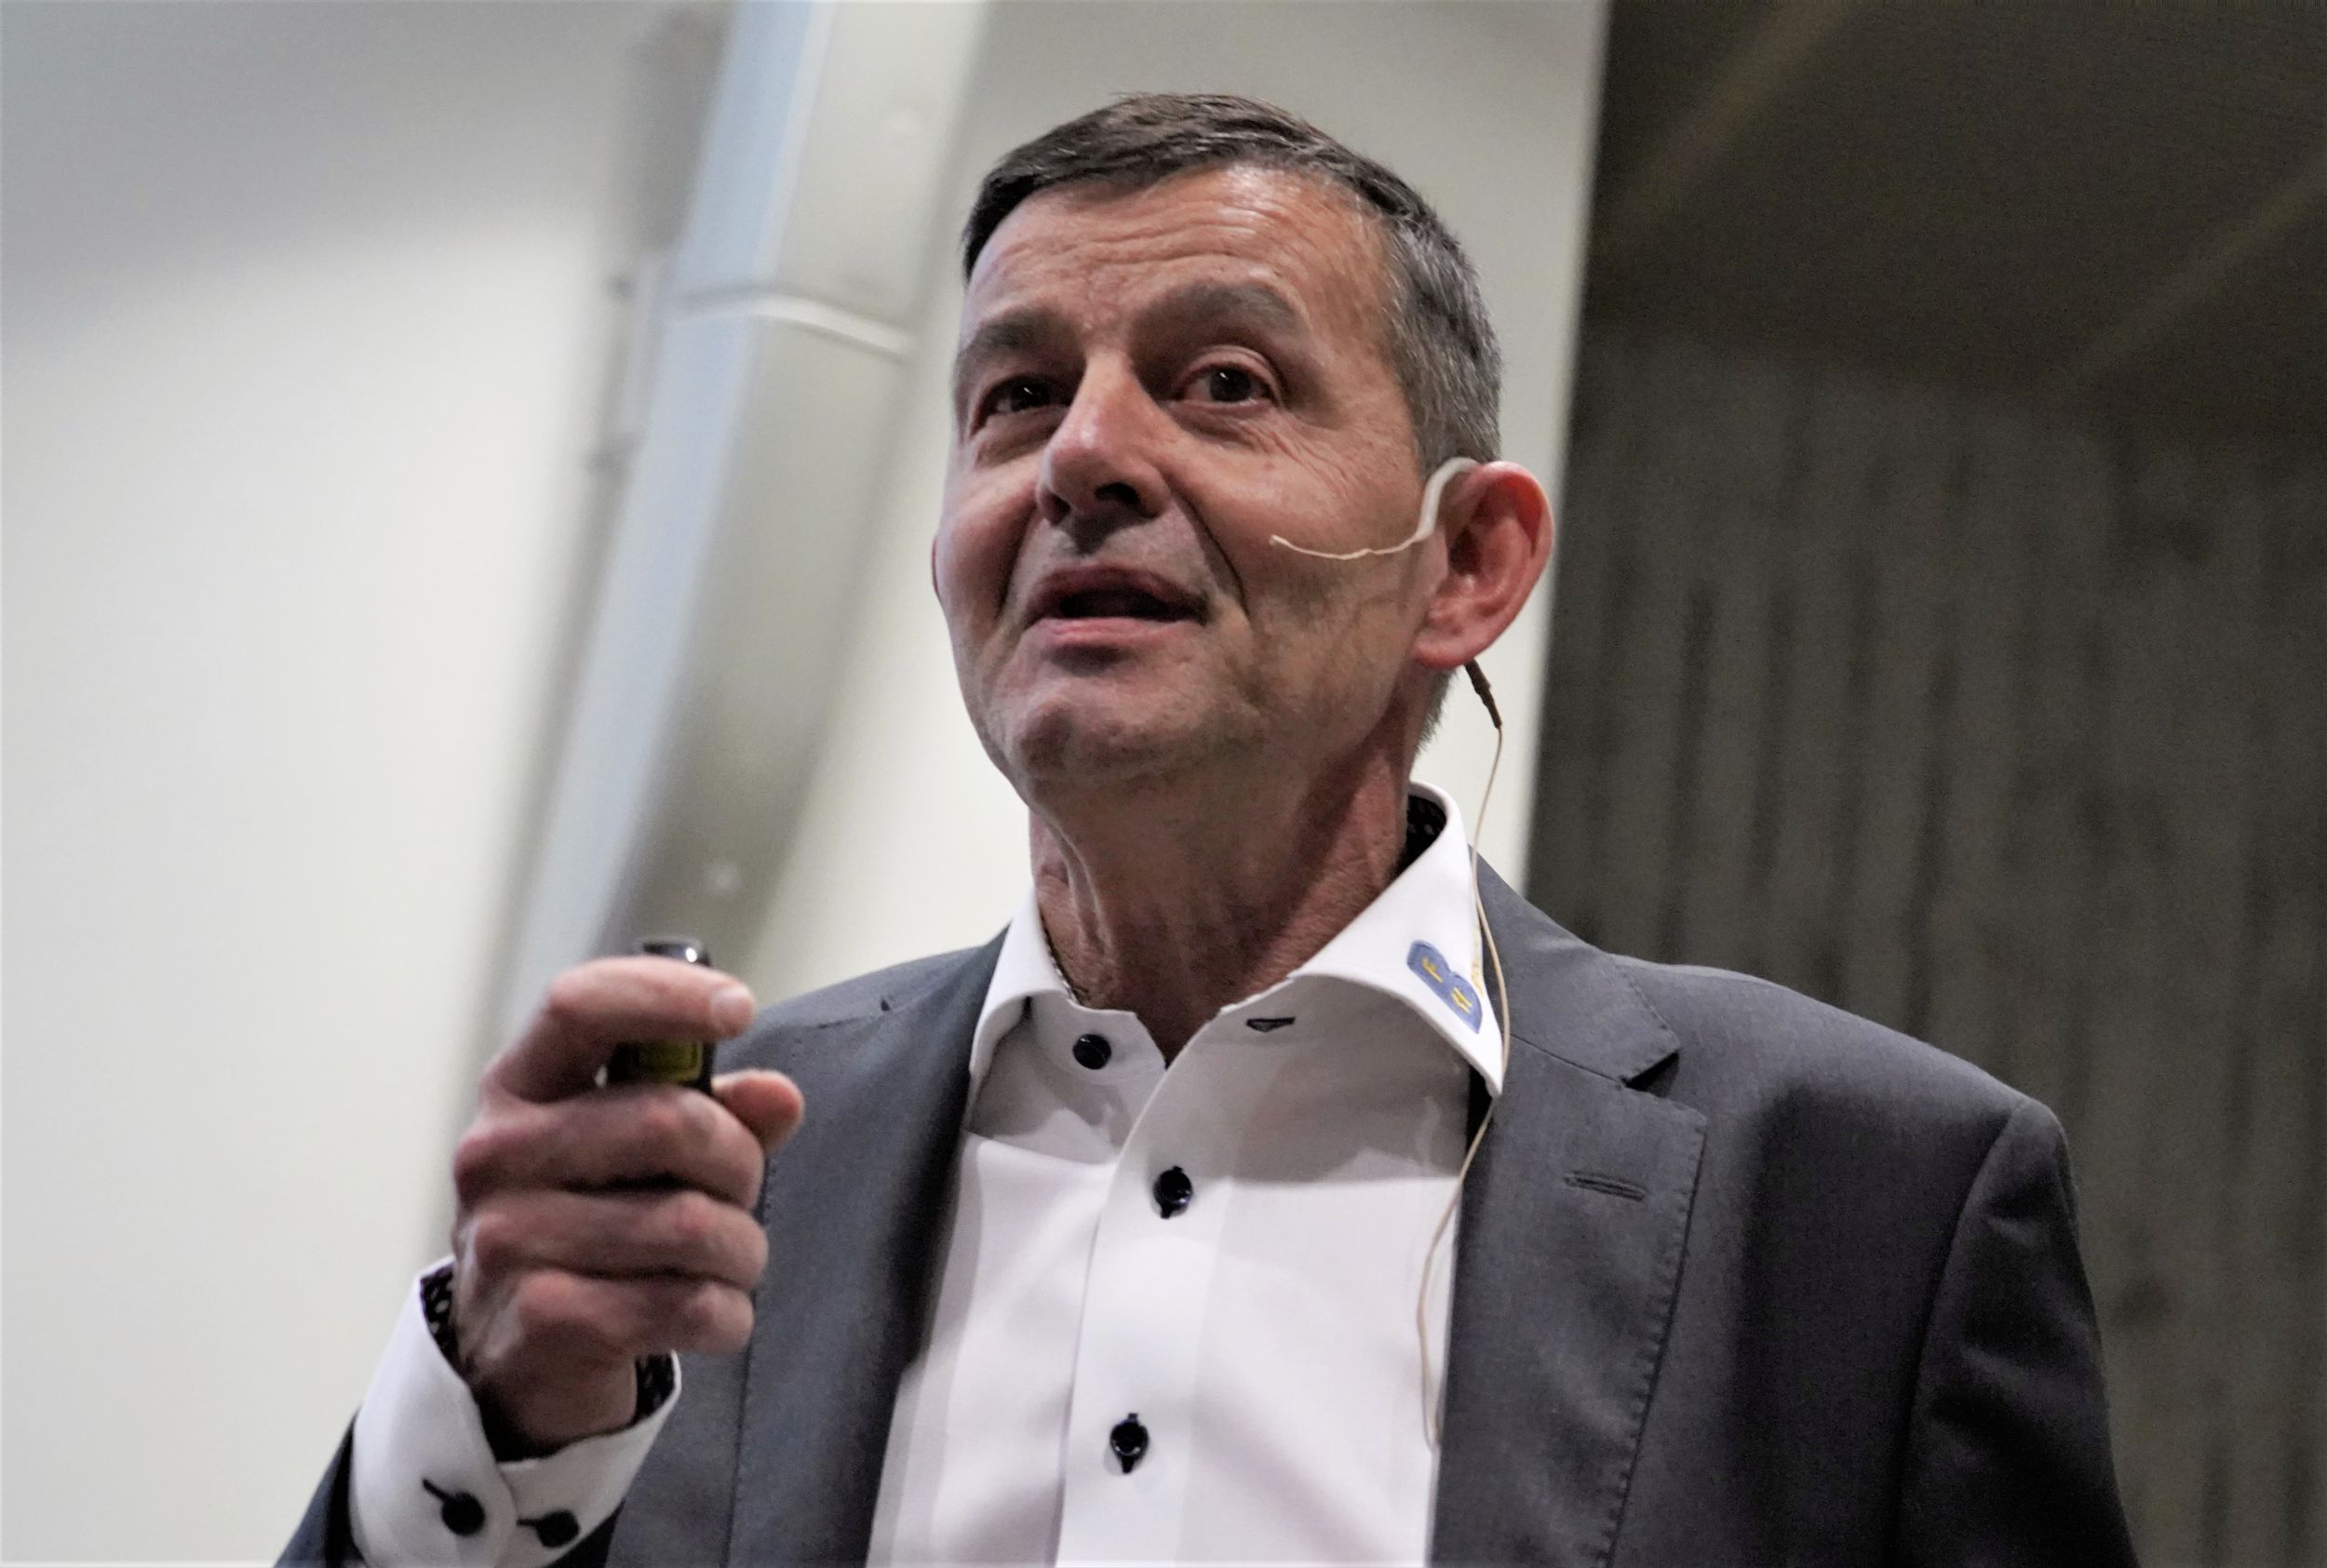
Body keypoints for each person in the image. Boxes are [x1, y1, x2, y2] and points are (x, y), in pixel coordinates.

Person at [283, 93, 2136, 1567]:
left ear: (1465, 563)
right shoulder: (703, 1180)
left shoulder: (1864, 1204)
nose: (1081, 457)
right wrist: (496, 1416)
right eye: (1016, 397)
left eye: (1222, 383)